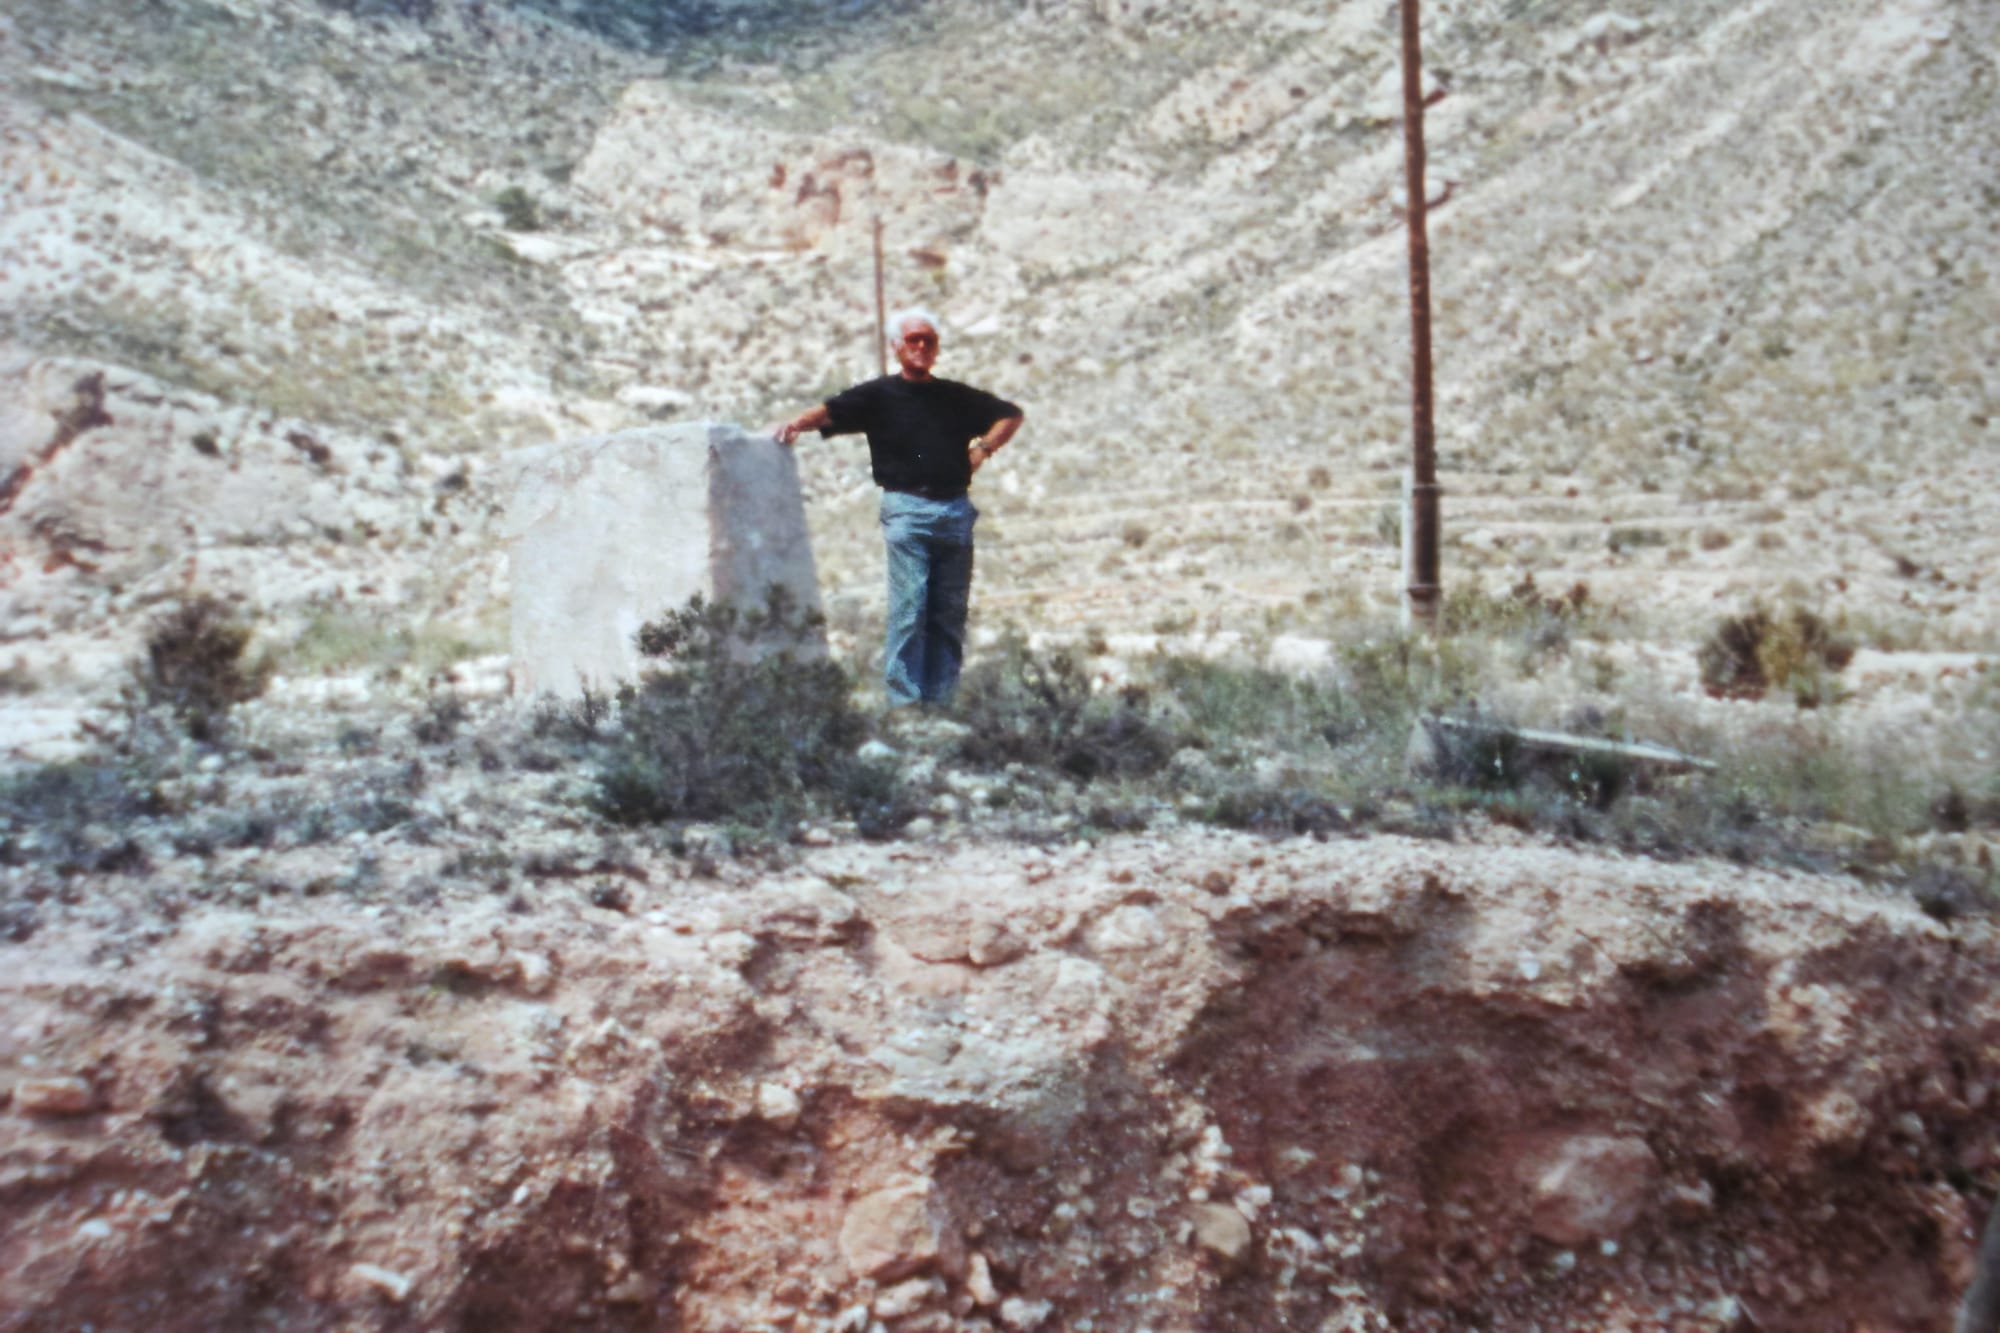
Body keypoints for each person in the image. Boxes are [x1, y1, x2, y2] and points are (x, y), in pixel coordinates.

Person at [776, 308, 1024, 707]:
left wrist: (983, 449)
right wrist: (793, 425)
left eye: (928, 339)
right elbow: (831, 411)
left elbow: (1010, 416)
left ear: (937, 347)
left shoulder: (956, 397)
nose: (921, 346)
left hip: (955, 510)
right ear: (897, 346)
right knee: (910, 606)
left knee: (948, 611)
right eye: (913, 339)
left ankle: (941, 702)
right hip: (907, 509)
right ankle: (905, 704)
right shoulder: (877, 396)